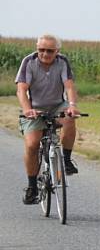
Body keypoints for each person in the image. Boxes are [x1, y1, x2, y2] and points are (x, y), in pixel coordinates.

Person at [16, 34, 80, 204]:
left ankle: (66, 160)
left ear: (57, 51)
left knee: (70, 117)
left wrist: (72, 105)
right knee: (32, 144)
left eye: (49, 51)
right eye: (41, 50)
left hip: (57, 105)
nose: (44, 54)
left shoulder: (62, 61)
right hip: (34, 108)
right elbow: (21, 90)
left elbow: (69, 86)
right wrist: (27, 109)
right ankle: (32, 187)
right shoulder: (28, 62)